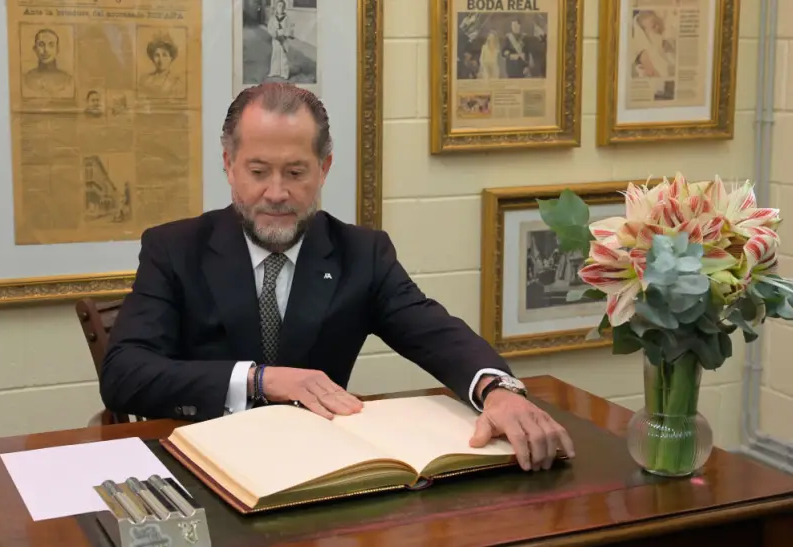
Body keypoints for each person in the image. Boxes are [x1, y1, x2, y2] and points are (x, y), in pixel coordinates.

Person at [100, 83, 575, 472]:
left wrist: (499, 391)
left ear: (324, 168)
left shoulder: (361, 253)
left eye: (296, 172)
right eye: (258, 171)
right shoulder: (175, 248)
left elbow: (435, 333)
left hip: (322, 471)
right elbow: (124, 374)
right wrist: (261, 380)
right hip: (204, 466)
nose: (276, 193)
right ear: (229, 165)